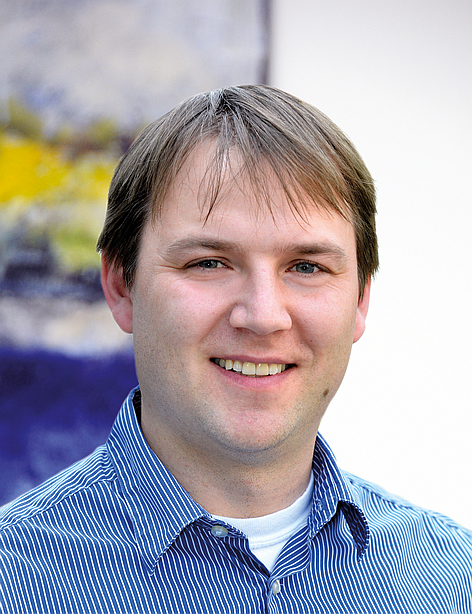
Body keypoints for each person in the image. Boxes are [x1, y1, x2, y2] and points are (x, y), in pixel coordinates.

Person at [1, 85, 471, 614]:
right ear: (120, 286)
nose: (263, 316)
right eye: (209, 263)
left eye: (307, 267)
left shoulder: (454, 578)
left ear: (361, 298)